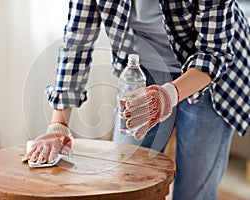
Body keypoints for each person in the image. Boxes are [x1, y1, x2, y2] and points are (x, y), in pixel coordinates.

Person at [23, 0, 250, 199]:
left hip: (211, 75)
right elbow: (77, 44)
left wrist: (168, 94)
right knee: (128, 179)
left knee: (193, 191)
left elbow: (213, 53)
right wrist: (58, 125)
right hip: (142, 70)